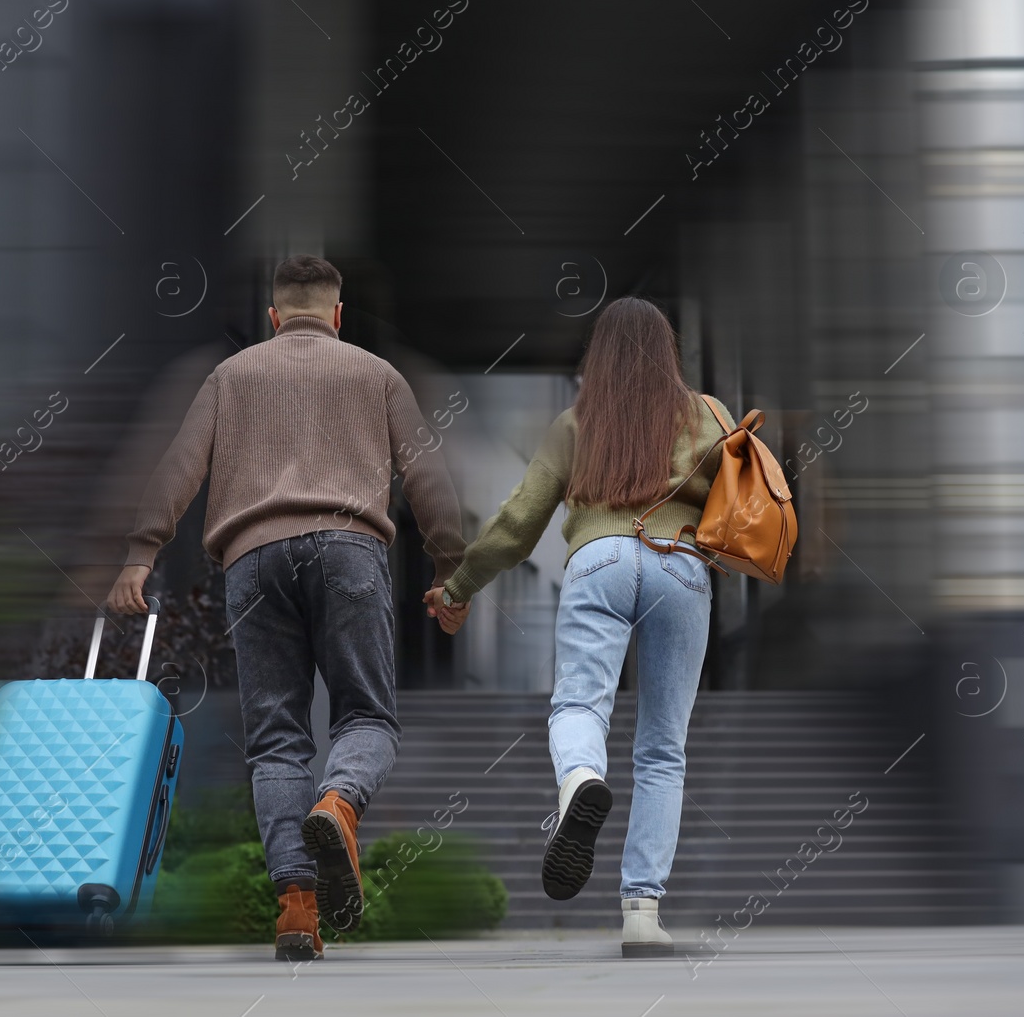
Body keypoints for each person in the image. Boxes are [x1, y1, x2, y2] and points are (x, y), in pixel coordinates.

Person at [108, 254, 466, 962]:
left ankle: (297, 910)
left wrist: (140, 553)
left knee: (276, 738)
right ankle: (338, 802)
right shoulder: (377, 374)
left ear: (274, 317)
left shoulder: (230, 376)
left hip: (252, 559)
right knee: (367, 715)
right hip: (350, 549)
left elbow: (180, 465)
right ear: (337, 314)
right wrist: (452, 566)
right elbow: (427, 474)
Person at [424, 297, 729, 957]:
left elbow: (517, 522)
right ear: (667, 352)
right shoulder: (709, 416)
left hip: (600, 560)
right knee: (662, 748)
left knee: (580, 702)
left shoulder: (575, 423)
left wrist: (457, 587)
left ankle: (580, 781)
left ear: (601, 357)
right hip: (682, 569)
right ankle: (642, 915)